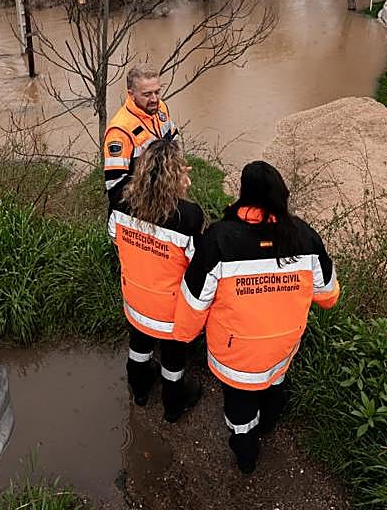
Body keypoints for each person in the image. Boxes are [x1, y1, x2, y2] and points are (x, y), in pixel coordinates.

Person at [173, 161, 340, 474]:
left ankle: (246, 453)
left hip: (236, 355)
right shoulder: (303, 235)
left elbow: (195, 301)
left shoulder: (218, 239)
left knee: (239, 408)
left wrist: (183, 336)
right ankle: (268, 424)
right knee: (274, 384)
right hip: (282, 348)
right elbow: (328, 296)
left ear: (243, 193)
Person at [108, 138, 204, 422]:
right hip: (171, 312)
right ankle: (174, 406)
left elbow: (116, 240)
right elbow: (198, 266)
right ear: (177, 175)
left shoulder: (121, 203)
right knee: (174, 359)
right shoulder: (188, 217)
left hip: (135, 300)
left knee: (138, 345)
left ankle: (139, 391)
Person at [103, 65, 178, 201]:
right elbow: (115, 189)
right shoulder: (120, 130)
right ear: (131, 94)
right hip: (136, 207)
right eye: (147, 94)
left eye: (157, 92)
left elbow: (174, 142)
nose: (154, 99)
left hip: (166, 195)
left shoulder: (160, 108)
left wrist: (179, 173)